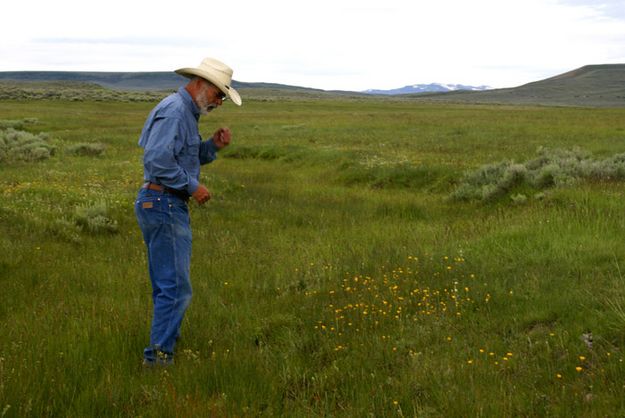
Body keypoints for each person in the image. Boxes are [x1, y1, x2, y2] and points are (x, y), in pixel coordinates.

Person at [134, 57, 242, 366]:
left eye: (223, 97)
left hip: (163, 203)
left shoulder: (184, 113)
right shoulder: (175, 112)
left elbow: (182, 159)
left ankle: (165, 348)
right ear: (202, 84)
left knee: (168, 286)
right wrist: (192, 187)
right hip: (164, 203)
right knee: (176, 288)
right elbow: (157, 162)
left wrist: (212, 147)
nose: (219, 102)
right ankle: (158, 360)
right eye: (219, 94)